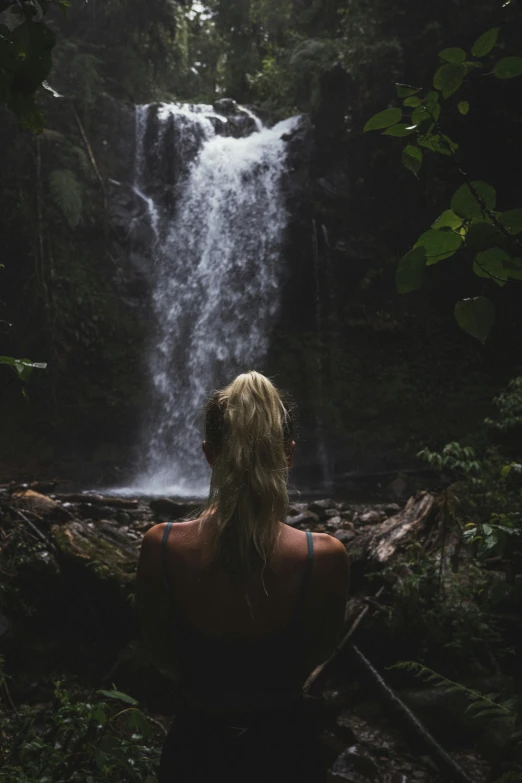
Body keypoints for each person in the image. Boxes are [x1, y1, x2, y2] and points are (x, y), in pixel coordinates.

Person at [136, 371, 350, 783]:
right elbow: (318, 651)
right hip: (287, 751)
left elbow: (160, 653)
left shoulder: (160, 547)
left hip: (196, 751)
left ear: (209, 454)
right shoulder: (324, 557)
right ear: (288, 454)